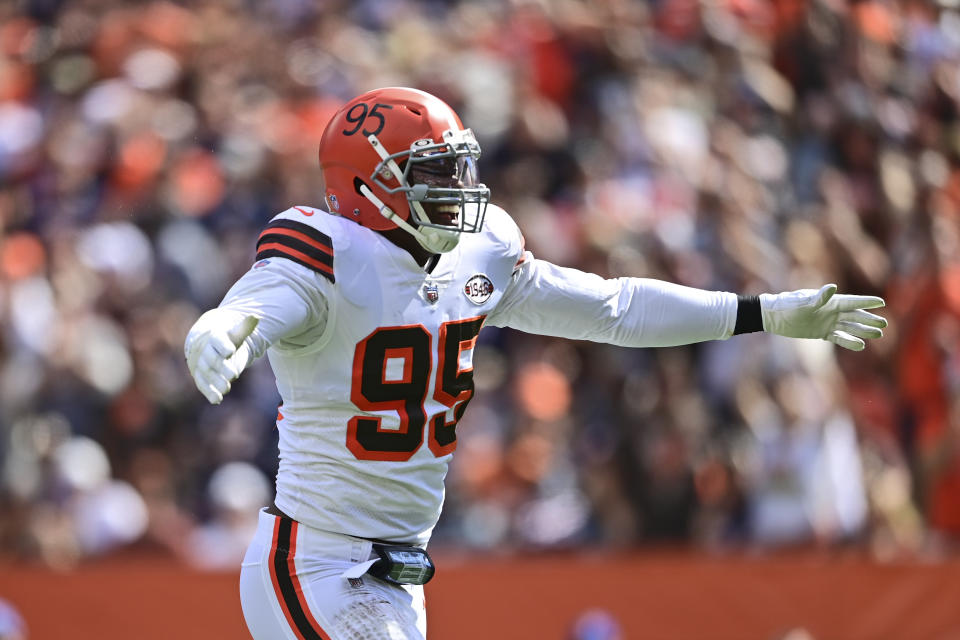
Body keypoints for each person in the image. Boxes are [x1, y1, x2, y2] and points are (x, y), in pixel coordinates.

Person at [184, 87, 887, 639]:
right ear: (367, 188)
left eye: (458, 165)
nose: (457, 185)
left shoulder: (478, 253)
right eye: (431, 172)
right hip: (314, 562)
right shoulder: (325, 253)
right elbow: (259, 303)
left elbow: (613, 309)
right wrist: (221, 331)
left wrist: (762, 313)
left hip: (394, 571)